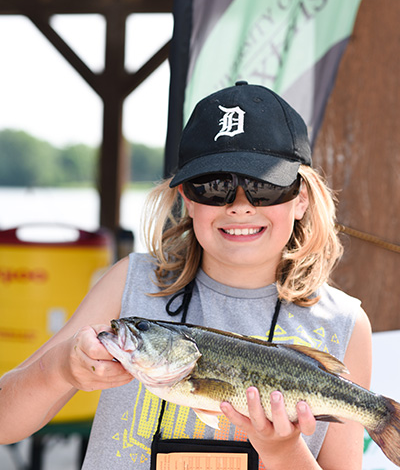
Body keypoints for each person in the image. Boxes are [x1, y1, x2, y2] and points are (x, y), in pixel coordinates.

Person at [0, 82, 372, 469]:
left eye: (263, 187)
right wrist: (60, 367)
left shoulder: (343, 325)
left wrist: (283, 451)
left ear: (302, 198)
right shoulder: (130, 284)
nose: (240, 206)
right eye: (215, 187)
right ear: (186, 200)